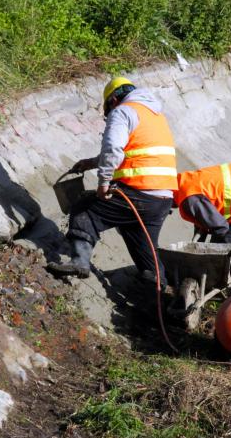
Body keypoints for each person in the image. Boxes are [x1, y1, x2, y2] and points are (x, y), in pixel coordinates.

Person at [47, 77, 177, 283]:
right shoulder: (154, 115)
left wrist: (104, 183)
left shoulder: (123, 111)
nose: (109, 116)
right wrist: (91, 163)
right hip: (161, 199)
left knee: (84, 209)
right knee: (142, 243)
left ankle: (79, 262)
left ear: (113, 100)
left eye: (108, 111)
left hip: (139, 192)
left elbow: (113, 149)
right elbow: (133, 152)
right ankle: (160, 289)